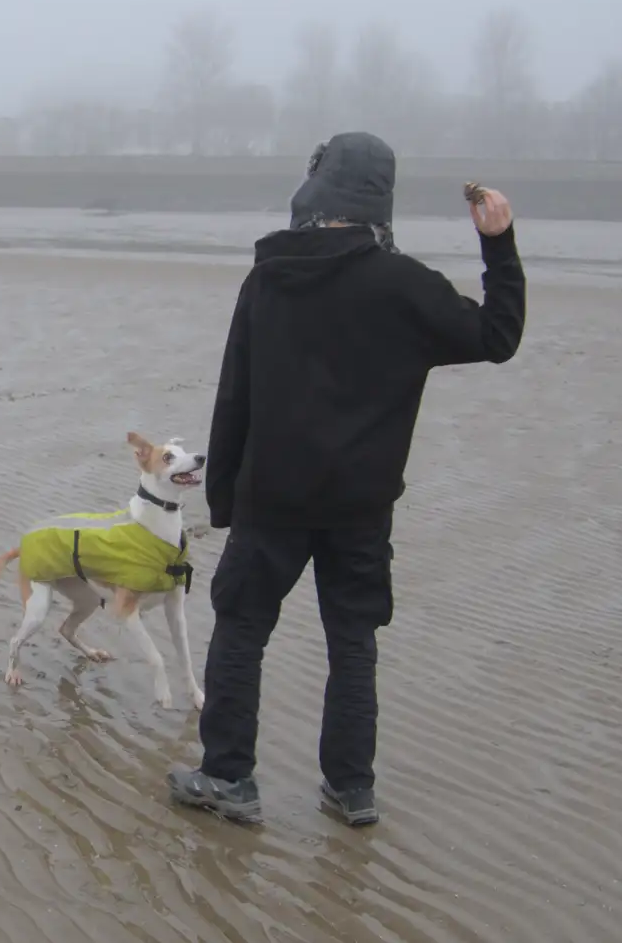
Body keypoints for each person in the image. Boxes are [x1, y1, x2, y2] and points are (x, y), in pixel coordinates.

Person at [166, 132, 526, 826]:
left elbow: (233, 393)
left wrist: (224, 502)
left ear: (318, 187)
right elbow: (496, 337)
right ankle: (351, 788)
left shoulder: (269, 276)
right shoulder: (405, 283)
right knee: (353, 642)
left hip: (272, 499)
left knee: (241, 630)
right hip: (361, 505)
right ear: (379, 199)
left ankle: (229, 779)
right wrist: (499, 245)